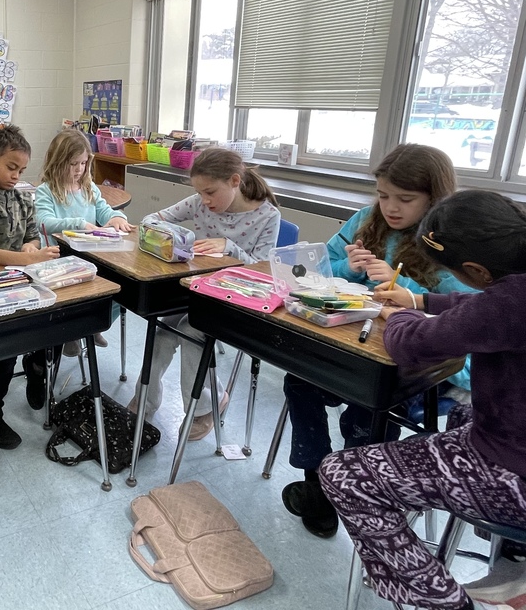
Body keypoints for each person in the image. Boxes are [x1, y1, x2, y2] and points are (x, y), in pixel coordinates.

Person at [320, 190, 526, 610]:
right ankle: (513, 557)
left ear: (475, 270)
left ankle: (439, 600)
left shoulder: (511, 302)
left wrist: (397, 316)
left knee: (343, 473)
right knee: (463, 414)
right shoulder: (513, 284)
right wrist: (420, 301)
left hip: (515, 471)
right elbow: (488, 306)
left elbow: (413, 343)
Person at [282, 143, 474, 539]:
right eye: (384, 195)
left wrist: (398, 282)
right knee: (299, 377)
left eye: (406, 199)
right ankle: (318, 477)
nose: (391, 207)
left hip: (420, 366)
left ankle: (355, 484)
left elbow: (466, 311)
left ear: (434, 198)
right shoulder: (366, 220)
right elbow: (318, 269)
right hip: (358, 343)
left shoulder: (453, 242)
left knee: (368, 407)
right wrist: (345, 267)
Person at [129, 147, 281, 440]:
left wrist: (229, 247)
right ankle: (146, 399)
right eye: (200, 193)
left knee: (191, 330)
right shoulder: (200, 203)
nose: (205, 200)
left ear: (235, 181)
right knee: (160, 329)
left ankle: (207, 406)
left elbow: (263, 272)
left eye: (210, 192)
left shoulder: (267, 216)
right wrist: (178, 239)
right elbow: (149, 220)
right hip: (195, 292)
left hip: (235, 301)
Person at [0, 124, 60, 449]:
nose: (16, 175)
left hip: (21, 280)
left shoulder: (22, 198)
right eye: (11, 167)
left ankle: (36, 366)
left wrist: (31, 249)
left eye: (21, 169)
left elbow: (32, 234)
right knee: (4, 352)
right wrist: (27, 260)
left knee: (55, 323)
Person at [34, 128, 135, 354]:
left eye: (83, 163)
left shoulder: (88, 187)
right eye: (73, 164)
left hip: (91, 257)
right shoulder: (46, 191)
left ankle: (92, 326)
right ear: (57, 161)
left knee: (121, 290)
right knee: (80, 294)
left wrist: (117, 218)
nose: (79, 169)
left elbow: (105, 211)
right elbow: (43, 222)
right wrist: (79, 223)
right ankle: (74, 330)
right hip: (60, 261)